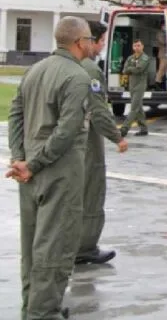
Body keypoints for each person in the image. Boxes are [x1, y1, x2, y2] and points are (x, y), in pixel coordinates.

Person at [6, 16, 95, 320]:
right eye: (90, 39)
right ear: (80, 42)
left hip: (30, 168)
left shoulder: (35, 70)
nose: (92, 44)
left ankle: (33, 305)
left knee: (32, 244)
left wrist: (21, 158)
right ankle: (43, 312)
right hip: (58, 170)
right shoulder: (77, 77)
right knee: (55, 243)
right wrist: (33, 163)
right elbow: (66, 131)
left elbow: (15, 115)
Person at [76, 20, 129, 266]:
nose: (102, 46)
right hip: (86, 141)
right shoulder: (90, 69)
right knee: (92, 194)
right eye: (102, 41)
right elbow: (98, 111)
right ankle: (86, 247)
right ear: (91, 41)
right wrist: (117, 137)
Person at [120, 39, 150, 136]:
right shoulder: (130, 58)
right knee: (138, 107)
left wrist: (130, 69)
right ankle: (144, 128)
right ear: (133, 47)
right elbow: (124, 70)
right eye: (135, 46)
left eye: (138, 45)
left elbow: (139, 69)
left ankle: (124, 129)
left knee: (134, 108)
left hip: (140, 85)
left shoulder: (145, 58)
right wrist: (131, 69)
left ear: (142, 46)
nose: (137, 47)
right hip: (132, 85)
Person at [154, 23, 167, 89]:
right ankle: (157, 82)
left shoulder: (165, 33)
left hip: (166, 54)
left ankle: (162, 82)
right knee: (162, 68)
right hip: (162, 54)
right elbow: (163, 42)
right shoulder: (160, 33)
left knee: (165, 69)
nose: (165, 27)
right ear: (161, 26)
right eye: (164, 25)